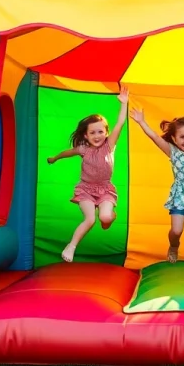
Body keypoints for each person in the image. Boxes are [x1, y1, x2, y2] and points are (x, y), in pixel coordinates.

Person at [130, 93, 184, 262]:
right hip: (180, 194)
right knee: (176, 231)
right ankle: (174, 245)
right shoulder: (172, 151)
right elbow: (155, 137)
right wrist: (141, 122)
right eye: (182, 137)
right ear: (174, 139)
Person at [46, 87, 129, 262]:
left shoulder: (109, 145)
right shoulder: (83, 149)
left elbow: (120, 123)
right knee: (90, 219)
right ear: (86, 134)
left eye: (100, 132)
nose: (97, 136)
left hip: (105, 189)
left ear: (106, 133)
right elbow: (67, 153)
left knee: (105, 217)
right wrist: (55, 158)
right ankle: (71, 246)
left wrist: (124, 104)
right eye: (92, 132)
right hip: (86, 189)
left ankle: (109, 218)